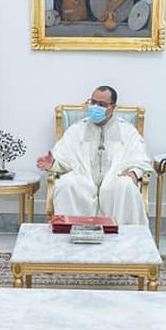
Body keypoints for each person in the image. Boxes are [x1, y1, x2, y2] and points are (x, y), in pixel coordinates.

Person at [36, 85, 152, 225]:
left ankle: (122, 237)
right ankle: (73, 234)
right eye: (93, 102)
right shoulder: (77, 129)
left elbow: (141, 160)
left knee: (125, 185)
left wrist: (133, 173)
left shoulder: (127, 131)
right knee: (66, 184)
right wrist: (53, 163)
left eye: (101, 104)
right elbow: (63, 158)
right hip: (83, 180)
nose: (95, 107)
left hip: (115, 181)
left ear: (113, 107)